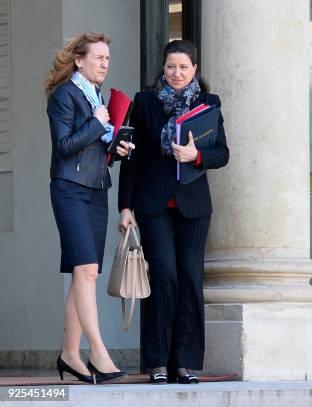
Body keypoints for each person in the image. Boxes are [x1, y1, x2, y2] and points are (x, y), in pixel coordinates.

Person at [118, 40, 229, 384]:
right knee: (164, 276)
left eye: (183, 67)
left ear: (194, 69)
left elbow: (222, 154)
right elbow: (131, 158)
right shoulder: (145, 102)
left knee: (190, 281)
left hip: (193, 206)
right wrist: (125, 206)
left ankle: (185, 361)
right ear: (162, 70)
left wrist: (195, 156)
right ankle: (158, 362)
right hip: (152, 205)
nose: (176, 73)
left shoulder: (208, 104)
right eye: (170, 67)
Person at [45, 32, 134, 384]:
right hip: (70, 190)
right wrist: (98, 123)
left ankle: (69, 353)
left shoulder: (95, 95)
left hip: (96, 190)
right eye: (99, 57)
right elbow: (65, 146)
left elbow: (94, 147)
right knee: (84, 271)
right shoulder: (64, 95)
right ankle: (98, 352)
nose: (105, 63)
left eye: (107, 58)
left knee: (87, 274)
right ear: (78, 61)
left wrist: (116, 147)